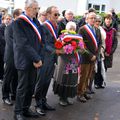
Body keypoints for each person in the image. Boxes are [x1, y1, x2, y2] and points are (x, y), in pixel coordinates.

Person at [13, 0, 43, 120]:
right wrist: (36, 58)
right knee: (22, 87)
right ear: (28, 8)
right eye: (35, 8)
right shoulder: (19, 22)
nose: (37, 11)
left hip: (35, 60)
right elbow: (22, 44)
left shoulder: (35, 21)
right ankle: (18, 112)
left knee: (31, 87)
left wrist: (39, 57)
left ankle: (26, 109)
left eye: (37, 8)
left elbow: (41, 40)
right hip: (24, 60)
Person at [34, 6, 62, 116]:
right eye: (55, 14)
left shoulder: (56, 26)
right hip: (44, 58)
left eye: (58, 14)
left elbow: (54, 41)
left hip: (51, 59)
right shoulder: (44, 26)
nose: (57, 16)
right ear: (48, 14)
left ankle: (43, 102)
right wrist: (56, 51)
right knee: (41, 82)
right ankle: (38, 105)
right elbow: (43, 44)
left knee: (47, 82)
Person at [53, 21, 83, 106]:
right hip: (64, 62)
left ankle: (67, 97)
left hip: (73, 62)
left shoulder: (78, 38)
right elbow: (57, 49)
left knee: (71, 79)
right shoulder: (61, 38)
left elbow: (82, 49)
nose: (72, 30)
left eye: (73, 28)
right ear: (66, 29)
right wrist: (66, 49)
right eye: (70, 28)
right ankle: (62, 98)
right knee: (63, 78)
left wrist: (77, 48)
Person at [77, 12, 102, 103]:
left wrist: (96, 54)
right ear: (86, 19)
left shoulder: (97, 29)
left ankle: (84, 92)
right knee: (83, 76)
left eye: (94, 18)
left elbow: (99, 43)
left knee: (88, 76)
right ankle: (79, 93)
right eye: (91, 18)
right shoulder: (82, 29)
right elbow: (81, 44)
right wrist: (90, 55)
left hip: (94, 57)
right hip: (85, 57)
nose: (93, 19)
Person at [2, 8, 22, 106]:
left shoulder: (21, 27)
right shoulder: (9, 27)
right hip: (10, 56)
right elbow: (10, 43)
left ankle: (14, 94)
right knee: (8, 77)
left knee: (16, 77)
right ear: (16, 16)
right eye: (21, 14)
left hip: (18, 57)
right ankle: (5, 96)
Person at [93, 15, 106, 89]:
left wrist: (103, 49)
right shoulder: (93, 29)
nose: (97, 22)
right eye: (96, 21)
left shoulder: (101, 29)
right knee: (96, 68)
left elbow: (103, 42)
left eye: (99, 21)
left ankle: (100, 83)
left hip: (101, 51)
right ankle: (95, 83)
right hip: (94, 51)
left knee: (101, 67)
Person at [0, 14, 12, 83]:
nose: (8, 20)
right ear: (3, 20)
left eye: (10, 19)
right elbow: (2, 39)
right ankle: (1, 77)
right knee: (2, 64)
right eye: (7, 19)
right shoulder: (1, 27)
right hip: (2, 49)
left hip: (7, 49)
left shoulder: (10, 27)